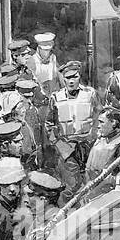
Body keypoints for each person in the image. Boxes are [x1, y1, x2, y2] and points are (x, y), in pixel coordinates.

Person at [50, 61, 100, 199]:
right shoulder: (56, 97)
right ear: (63, 79)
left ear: (79, 77)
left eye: (75, 77)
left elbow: (99, 117)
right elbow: (49, 125)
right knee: (71, 185)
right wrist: (60, 146)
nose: (71, 81)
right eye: (68, 78)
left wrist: (94, 137)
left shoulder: (90, 94)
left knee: (92, 183)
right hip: (67, 147)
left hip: (88, 144)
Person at [85, 105, 120, 193]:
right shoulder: (101, 139)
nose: (98, 126)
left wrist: (109, 180)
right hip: (91, 187)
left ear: (114, 123)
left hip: (109, 193)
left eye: (102, 122)